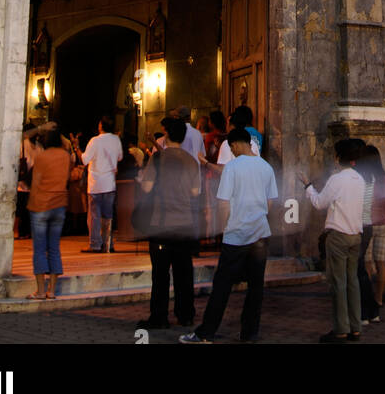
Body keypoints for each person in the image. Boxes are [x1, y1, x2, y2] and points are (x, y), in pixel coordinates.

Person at [180, 128, 279, 343]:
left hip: (236, 235)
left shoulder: (232, 167)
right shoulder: (266, 167)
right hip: (260, 234)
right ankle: (249, 333)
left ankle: (207, 332)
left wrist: (225, 227)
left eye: (231, 147)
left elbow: (223, 203)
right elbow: (270, 202)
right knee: (256, 287)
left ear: (234, 145)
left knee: (222, 286)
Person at [301, 138, 365, 343]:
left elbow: (319, 203)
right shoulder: (359, 179)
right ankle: (355, 327)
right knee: (352, 282)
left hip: (338, 235)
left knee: (338, 284)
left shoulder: (337, 179)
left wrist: (307, 186)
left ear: (338, 158)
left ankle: (340, 329)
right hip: (356, 235)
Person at [141, 116, 201, 328]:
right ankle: (185, 315)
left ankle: (159, 317)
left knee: (160, 275)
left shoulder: (158, 159)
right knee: (184, 272)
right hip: (184, 223)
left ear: (166, 135)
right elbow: (195, 192)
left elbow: (147, 188)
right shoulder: (191, 161)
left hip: (161, 222)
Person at [26, 123, 71, 299]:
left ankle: (40, 290)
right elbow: (67, 177)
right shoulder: (65, 156)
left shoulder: (42, 157)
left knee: (39, 248)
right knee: (54, 247)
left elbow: (36, 183)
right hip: (59, 204)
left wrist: (40, 128)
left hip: (41, 204)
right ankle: (52, 290)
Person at [81, 115, 123, 254]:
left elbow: (85, 159)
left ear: (101, 126)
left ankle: (94, 244)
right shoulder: (116, 139)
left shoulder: (95, 141)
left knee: (94, 215)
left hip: (96, 184)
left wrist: (78, 150)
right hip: (110, 183)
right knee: (108, 215)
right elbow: (120, 157)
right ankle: (108, 243)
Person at [354, 143, 381, 324]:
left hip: (359, 226)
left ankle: (365, 312)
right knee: (360, 268)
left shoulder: (359, 179)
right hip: (367, 225)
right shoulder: (370, 177)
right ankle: (371, 310)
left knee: (358, 271)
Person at [361, 145, 385, 308]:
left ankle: (368, 297)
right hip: (383, 223)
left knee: (367, 262)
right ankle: (379, 298)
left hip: (369, 222)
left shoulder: (366, 179)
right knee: (380, 262)